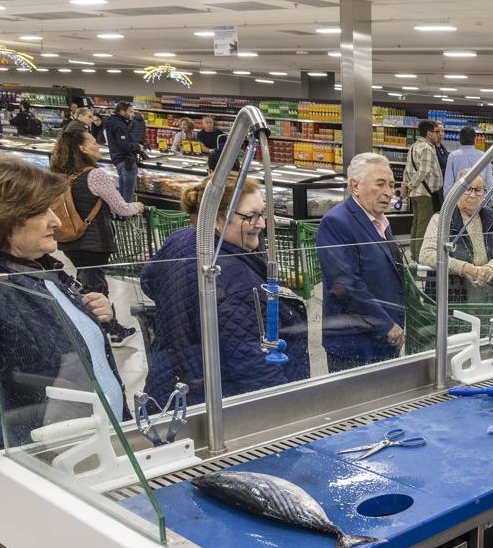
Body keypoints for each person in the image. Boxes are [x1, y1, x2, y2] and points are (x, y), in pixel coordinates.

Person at [0, 153, 125, 500]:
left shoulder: (34, 266)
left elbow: (44, 339)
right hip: (52, 476)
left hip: (87, 454)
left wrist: (90, 315)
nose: (56, 220)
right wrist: (40, 472)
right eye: (41, 212)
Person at [141, 175, 310, 405]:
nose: (261, 224)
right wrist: (290, 410)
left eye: (263, 213)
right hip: (218, 404)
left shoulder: (182, 239)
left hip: (171, 386)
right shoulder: (232, 279)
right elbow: (254, 369)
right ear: (218, 220)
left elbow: (149, 280)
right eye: (251, 217)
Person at [49, 128, 143, 346]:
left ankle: (109, 328)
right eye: (93, 142)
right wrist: (138, 206)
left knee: (89, 282)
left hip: (69, 240)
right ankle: (109, 331)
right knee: (96, 287)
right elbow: (121, 208)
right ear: (82, 148)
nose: (98, 146)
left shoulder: (64, 176)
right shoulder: (96, 174)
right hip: (94, 241)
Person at [317, 152, 406, 370]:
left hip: (384, 339)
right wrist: (386, 325)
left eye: (391, 185)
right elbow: (345, 285)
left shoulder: (381, 222)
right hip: (356, 345)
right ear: (354, 186)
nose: (388, 192)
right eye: (380, 184)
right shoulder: (336, 223)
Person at [419, 173, 493, 305]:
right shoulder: (442, 219)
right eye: (467, 189)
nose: (473, 195)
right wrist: (463, 267)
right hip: (451, 296)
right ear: (457, 191)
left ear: (484, 193)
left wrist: (492, 268)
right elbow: (426, 254)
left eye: (478, 190)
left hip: (490, 294)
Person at [400, 119, 443, 251]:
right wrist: (410, 186)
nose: (440, 135)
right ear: (429, 133)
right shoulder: (427, 148)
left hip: (416, 194)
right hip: (425, 194)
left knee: (416, 225)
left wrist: (405, 186)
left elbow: (407, 169)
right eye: (437, 132)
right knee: (424, 226)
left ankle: (413, 253)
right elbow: (423, 171)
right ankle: (420, 256)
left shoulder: (413, 146)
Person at [103, 102, 139, 202]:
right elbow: (124, 145)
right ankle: (126, 213)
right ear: (122, 112)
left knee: (122, 190)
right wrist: (137, 146)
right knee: (128, 192)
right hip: (126, 161)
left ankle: (121, 213)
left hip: (117, 160)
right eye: (131, 111)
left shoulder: (112, 122)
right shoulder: (119, 125)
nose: (133, 114)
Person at [443, 126, 493, 195]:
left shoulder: (453, 156)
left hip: (459, 198)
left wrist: (448, 204)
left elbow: (448, 184)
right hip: (478, 198)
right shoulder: (484, 156)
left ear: (459, 139)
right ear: (475, 140)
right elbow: (489, 182)